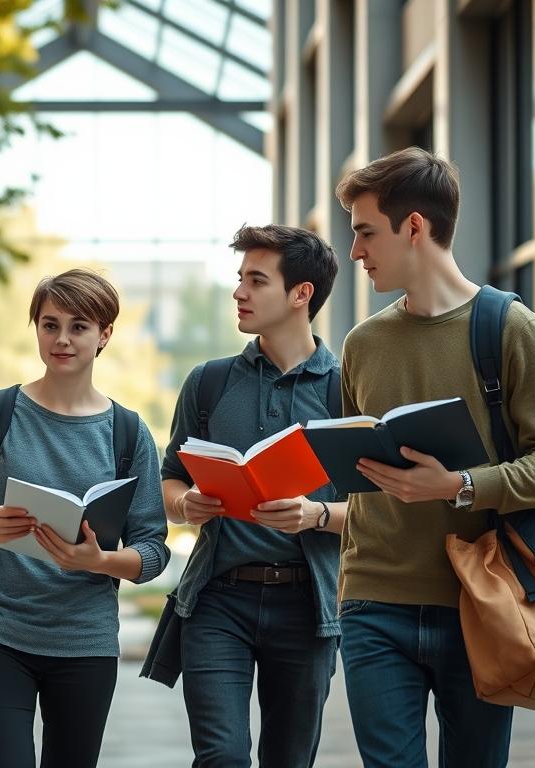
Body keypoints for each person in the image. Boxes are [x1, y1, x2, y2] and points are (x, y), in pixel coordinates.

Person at [333, 147, 535, 767]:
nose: (356, 251)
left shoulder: (513, 328)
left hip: (481, 602)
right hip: (372, 600)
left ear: (413, 226)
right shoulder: (362, 344)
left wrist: (459, 486)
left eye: (365, 232)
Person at [0, 268, 170, 768]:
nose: (61, 338)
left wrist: (97, 561)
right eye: (49, 324)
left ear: (105, 336)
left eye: (78, 326)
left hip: (86, 642)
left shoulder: (128, 432)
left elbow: (154, 550)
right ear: (35, 328)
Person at [158, 224, 346, 768]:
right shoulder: (210, 383)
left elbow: (383, 510)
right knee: (222, 757)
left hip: (308, 607)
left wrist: (316, 515)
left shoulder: (346, 388)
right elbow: (170, 478)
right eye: (240, 278)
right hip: (218, 601)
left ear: (301, 294)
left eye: (256, 280)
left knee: (289, 759)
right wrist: (184, 505)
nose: (239, 292)